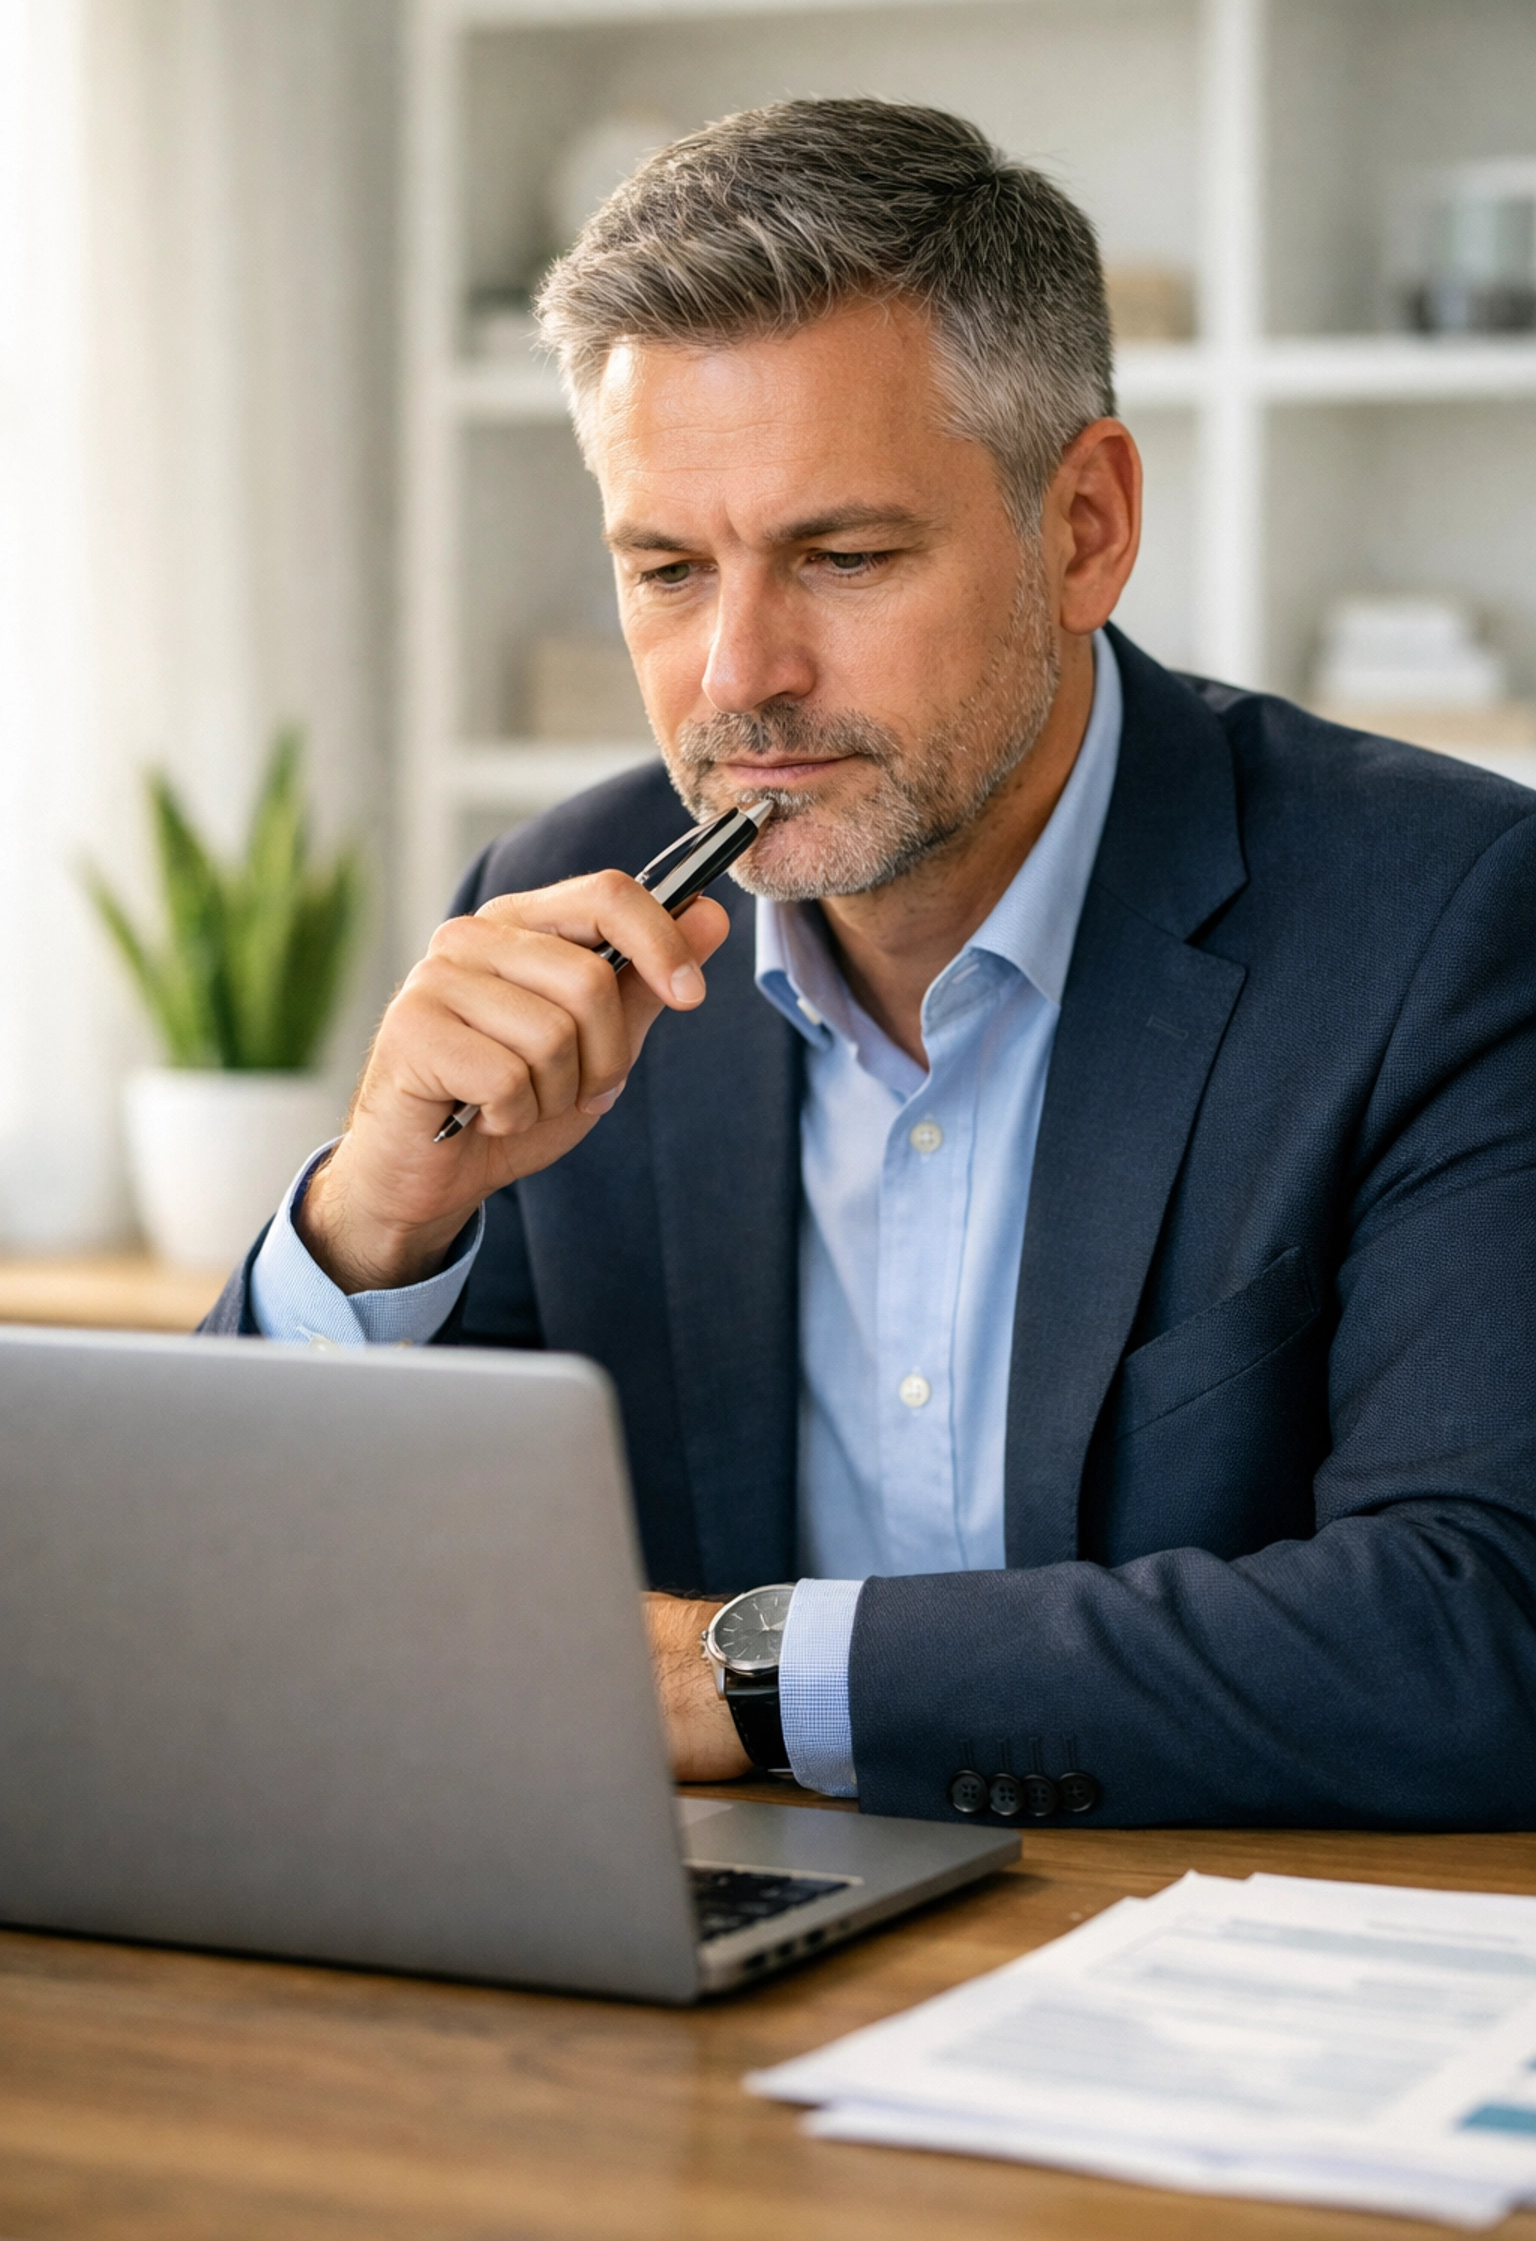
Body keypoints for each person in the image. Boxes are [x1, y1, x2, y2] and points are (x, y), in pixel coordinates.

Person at [206, 99, 1536, 1829]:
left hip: (1198, 1967)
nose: (738, 674)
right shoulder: (560, 908)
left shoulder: (1447, 917)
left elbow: (1472, 1634)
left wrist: (735, 1674)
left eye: (842, 557)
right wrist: (372, 1221)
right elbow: (258, 1613)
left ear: (1084, 528)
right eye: (668, 570)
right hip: (715, 1966)